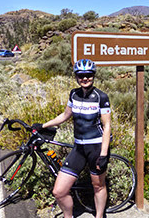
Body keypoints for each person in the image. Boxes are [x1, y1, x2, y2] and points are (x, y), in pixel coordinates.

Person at [33, 59, 111, 218]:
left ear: (93, 75)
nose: (85, 78)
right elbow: (65, 115)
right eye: (81, 75)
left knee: (98, 186)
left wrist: (103, 154)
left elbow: (107, 126)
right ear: (76, 76)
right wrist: (43, 125)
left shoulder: (101, 97)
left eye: (88, 75)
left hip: (96, 148)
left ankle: (99, 215)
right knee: (59, 191)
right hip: (79, 148)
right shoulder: (73, 94)